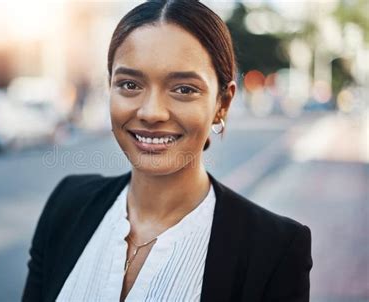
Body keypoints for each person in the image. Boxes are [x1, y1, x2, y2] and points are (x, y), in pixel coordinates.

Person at [22, 1, 313, 301]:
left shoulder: (275, 249)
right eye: (130, 84)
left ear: (221, 104)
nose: (151, 112)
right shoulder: (66, 206)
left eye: (184, 89)